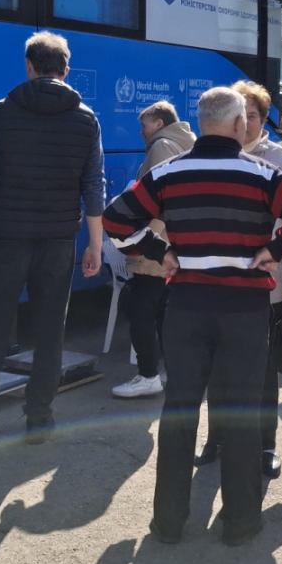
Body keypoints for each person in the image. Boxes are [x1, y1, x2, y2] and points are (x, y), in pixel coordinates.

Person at [102, 86, 282, 545]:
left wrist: (159, 251)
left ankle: (168, 523)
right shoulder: (264, 175)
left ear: (201, 122)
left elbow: (116, 220)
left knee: (179, 409)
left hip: (186, 306)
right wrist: (275, 250)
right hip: (244, 310)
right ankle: (240, 523)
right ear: (240, 123)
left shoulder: (168, 172)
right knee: (241, 411)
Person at [0, 32, 104, 444]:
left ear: (29, 66)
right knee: (50, 329)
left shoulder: (2, 111)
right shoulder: (86, 119)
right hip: (58, 240)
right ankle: (39, 418)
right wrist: (95, 243)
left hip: (7, 236)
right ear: (66, 70)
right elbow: (94, 184)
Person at [194, 82, 282, 479]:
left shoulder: (277, 158)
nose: (245, 123)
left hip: (265, 281)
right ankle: (217, 438)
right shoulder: (209, 155)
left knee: (263, 372)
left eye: (253, 116)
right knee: (217, 368)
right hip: (218, 280)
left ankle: (265, 444)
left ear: (260, 119)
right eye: (241, 115)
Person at [111, 100, 194, 400]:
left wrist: (143, 242)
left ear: (159, 124)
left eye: (144, 125)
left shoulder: (161, 147)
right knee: (164, 315)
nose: (141, 132)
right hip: (176, 244)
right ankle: (172, 372)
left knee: (141, 312)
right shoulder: (187, 143)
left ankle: (148, 375)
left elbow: (161, 201)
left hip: (156, 249)